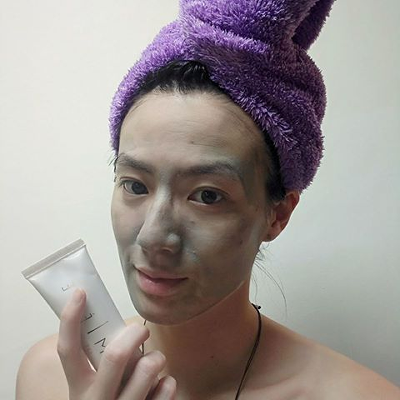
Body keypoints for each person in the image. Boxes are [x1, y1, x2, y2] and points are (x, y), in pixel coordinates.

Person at [16, 1, 400, 399]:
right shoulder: (47, 378)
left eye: (207, 195)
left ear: (278, 215)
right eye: (135, 186)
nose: (153, 237)